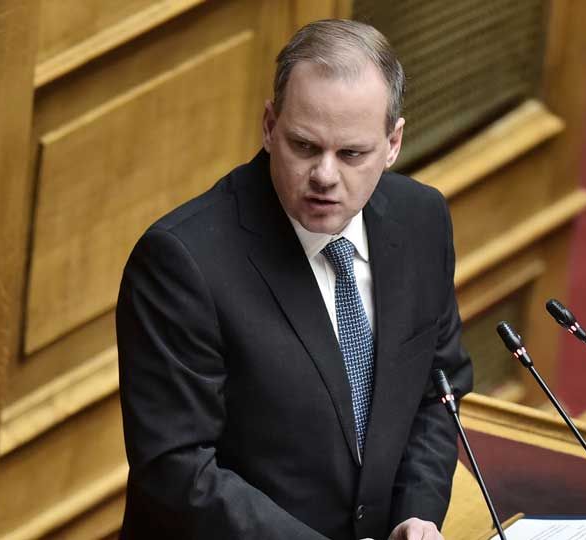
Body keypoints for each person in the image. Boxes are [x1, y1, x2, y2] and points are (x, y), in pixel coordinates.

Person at [116, 18, 473, 540]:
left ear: (393, 142)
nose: (325, 176)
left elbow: (438, 389)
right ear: (269, 125)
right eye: (304, 146)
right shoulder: (181, 262)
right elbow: (177, 469)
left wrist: (416, 512)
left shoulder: (421, 220)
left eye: (351, 154)